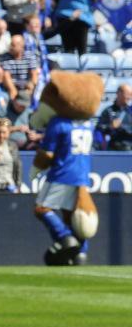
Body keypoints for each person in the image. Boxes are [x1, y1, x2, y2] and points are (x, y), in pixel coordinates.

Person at [31, 79, 97, 261]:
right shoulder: (88, 123)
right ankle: (80, 253)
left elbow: (48, 153)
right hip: (83, 174)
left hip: (62, 173)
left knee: (41, 208)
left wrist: (38, 165)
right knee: (72, 214)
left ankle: (64, 237)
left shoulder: (59, 123)